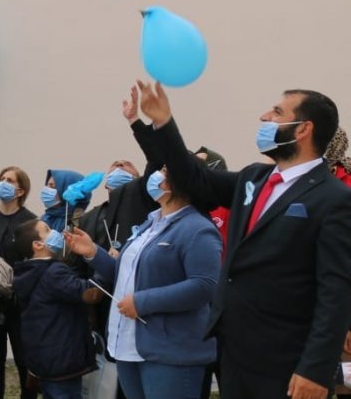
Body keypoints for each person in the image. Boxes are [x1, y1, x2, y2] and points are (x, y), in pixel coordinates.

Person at [135, 81, 351, 398]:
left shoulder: (334, 198)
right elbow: (194, 179)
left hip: (285, 358)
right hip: (234, 350)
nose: (264, 117)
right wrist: (164, 123)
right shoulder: (255, 177)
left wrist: (315, 368)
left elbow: (337, 290)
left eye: (277, 112)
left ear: (303, 129)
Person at [65, 162, 221, 398]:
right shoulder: (151, 223)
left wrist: (142, 302)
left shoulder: (198, 227)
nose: (156, 176)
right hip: (129, 346)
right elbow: (127, 276)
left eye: (165, 172)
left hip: (170, 352)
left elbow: (205, 285)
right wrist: (92, 252)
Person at [12, 219, 99, 399]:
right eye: (47, 229)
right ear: (38, 244)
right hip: (63, 361)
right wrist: (105, 268)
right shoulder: (54, 272)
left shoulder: (26, 272)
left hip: (44, 361)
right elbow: (89, 293)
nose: (54, 232)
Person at [0, 166, 38, 399]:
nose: (3, 183)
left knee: (24, 359)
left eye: (10, 180)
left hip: (20, 301)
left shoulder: (31, 221)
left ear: (20, 190)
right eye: (1, 178)